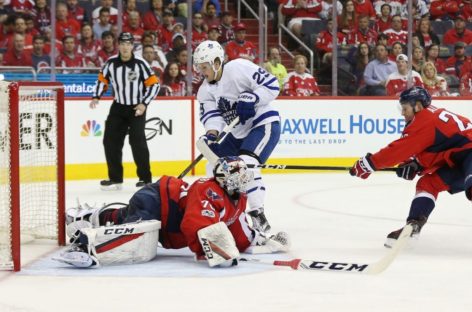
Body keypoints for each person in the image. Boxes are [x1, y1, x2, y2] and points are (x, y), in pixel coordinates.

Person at [54, 157, 290, 268]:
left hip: (164, 216)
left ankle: (88, 216)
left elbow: (238, 231)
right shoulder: (210, 190)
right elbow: (195, 226)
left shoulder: (237, 200)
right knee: (137, 238)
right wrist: (217, 251)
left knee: (123, 218)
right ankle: (84, 242)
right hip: (158, 204)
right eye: (240, 177)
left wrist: (261, 242)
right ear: (226, 179)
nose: (244, 182)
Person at [349, 86, 472, 248]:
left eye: (405, 108)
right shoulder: (427, 118)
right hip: (460, 159)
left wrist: (368, 164)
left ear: (418, 106)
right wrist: (415, 165)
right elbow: (435, 151)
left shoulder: (424, 121)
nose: (402, 113)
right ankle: (413, 225)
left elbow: (397, 151)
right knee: (427, 184)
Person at [193, 40, 280, 233]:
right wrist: (211, 135)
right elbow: (212, 117)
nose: (202, 72)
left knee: (246, 164)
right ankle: (223, 211)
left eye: (205, 67)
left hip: (262, 123)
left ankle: (258, 214)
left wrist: (254, 97)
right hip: (237, 132)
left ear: (216, 63)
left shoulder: (238, 67)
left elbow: (272, 85)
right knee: (213, 165)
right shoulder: (205, 90)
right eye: (199, 68)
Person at [90, 32, 160, 190]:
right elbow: (102, 79)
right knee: (110, 141)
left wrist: (144, 104)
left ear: (132, 46)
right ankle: (115, 178)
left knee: (137, 141)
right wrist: (96, 97)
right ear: (118, 46)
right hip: (118, 106)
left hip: (136, 108)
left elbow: (154, 85)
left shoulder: (141, 64)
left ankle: (145, 178)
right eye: (122, 43)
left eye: (128, 44)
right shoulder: (111, 62)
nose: (125, 46)